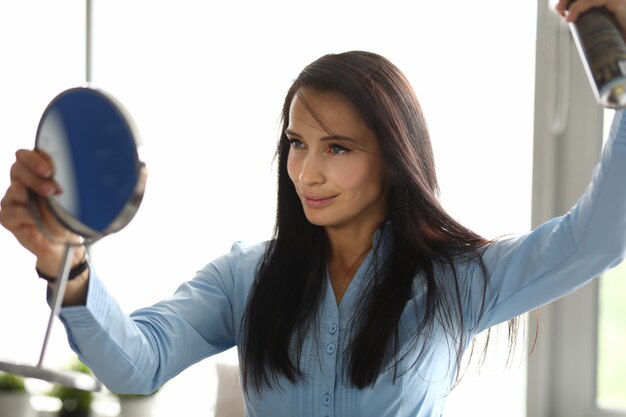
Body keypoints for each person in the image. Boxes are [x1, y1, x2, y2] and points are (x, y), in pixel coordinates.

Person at [1, 1, 625, 415]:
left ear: (392, 158)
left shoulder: (454, 280)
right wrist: (67, 260)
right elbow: (137, 365)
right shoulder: (245, 277)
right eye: (298, 144)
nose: (308, 171)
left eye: (338, 148)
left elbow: (596, 240)